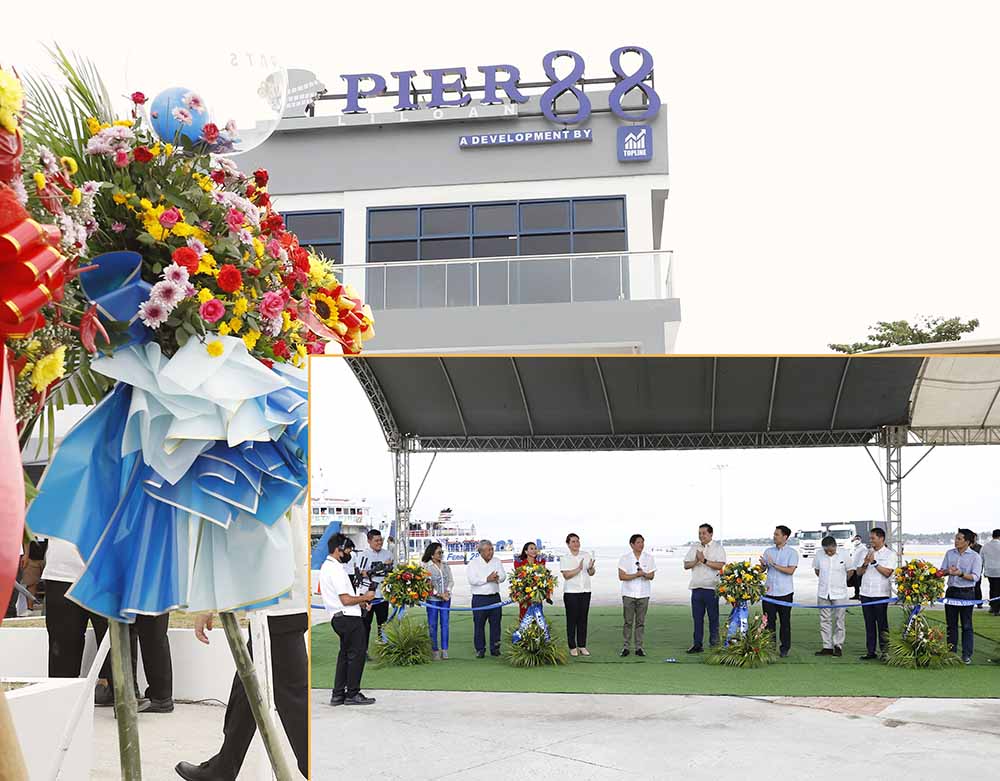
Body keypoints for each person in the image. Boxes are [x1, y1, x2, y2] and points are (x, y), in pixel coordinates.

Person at [175, 509, 310, 780]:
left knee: (292, 698)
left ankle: (311, 766)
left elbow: (242, 538)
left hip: (280, 601)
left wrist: (210, 601)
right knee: (248, 688)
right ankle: (224, 766)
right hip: (278, 599)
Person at [320, 533, 376, 706]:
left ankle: (338, 694)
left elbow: (343, 599)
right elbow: (345, 599)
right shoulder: (336, 569)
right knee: (357, 655)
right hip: (348, 618)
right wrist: (365, 597)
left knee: (345, 655)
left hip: (339, 617)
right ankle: (352, 693)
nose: (349, 554)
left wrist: (359, 602)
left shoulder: (327, 567)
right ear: (339, 550)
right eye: (348, 551)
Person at [941, 528, 983, 664]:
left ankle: (966, 655)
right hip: (951, 591)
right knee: (951, 624)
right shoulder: (949, 553)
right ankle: (951, 653)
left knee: (966, 625)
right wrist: (948, 571)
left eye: (959, 539)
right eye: (956, 538)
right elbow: (942, 571)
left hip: (966, 593)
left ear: (968, 541)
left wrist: (960, 574)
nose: (956, 541)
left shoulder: (975, 557)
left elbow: (976, 577)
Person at [683, 523, 726, 653]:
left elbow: (720, 565)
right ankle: (697, 644)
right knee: (697, 618)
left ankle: (714, 644)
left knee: (713, 618)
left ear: (711, 534)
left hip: (711, 588)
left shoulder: (718, 548)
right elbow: (686, 565)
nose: (701, 535)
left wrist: (704, 561)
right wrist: (697, 560)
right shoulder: (695, 547)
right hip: (696, 588)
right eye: (700, 533)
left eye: (704, 533)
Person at [855, 527, 894, 661]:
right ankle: (870, 651)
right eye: (870, 538)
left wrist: (874, 562)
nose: (871, 540)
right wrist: (865, 563)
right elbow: (859, 573)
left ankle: (885, 652)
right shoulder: (865, 552)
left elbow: (888, 572)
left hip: (881, 593)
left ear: (881, 538)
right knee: (869, 623)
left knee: (882, 623)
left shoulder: (889, 554)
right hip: (866, 592)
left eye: (873, 538)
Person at [759, 525, 798, 658]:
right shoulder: (768, 551)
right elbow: (762, 570)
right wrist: (763, 566)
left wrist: (774, 564)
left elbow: (790, 571)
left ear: (785, 537)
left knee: (785, 622)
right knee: (768, 622)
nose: (774, 537)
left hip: (785, 593)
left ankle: (784, 648)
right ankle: (769, 647)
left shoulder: (792, 553)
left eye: (777, 534)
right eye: (774, 534)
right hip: (769, 593)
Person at [813, 535, 855, 657]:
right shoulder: (819, 554)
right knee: (824, 619)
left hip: (840, 593)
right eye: (826, 551)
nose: (829, 553)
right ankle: (827, 646)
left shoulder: (844, 554)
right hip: (823, 592)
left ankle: (838, 645)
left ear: (835, 546)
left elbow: (850, 570)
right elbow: (817, 570)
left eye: (831, 550)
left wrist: (841, 581)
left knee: (839, 620)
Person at [467, 539, 507, 658]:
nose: (491, 552)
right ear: (481, 551)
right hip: (479, 598)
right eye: (488, 550)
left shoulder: (497, 561)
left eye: (492, 549)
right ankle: (480, 649)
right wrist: (487, 579)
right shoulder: (473, 563)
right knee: (479, 624)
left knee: (496, 624)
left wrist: (497, 578)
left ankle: (495, 648)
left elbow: (503, 576)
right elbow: (472, 580)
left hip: (494, 597)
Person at [618, 533, 656, 657]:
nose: (641, 545)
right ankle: (626, 647)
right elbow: (622, 576)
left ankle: (639, 647)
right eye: (639, 542)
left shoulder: (649, 558)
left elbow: (651, 576)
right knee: (628, 622)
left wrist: (643, 574)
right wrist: (636, 575)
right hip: (628, 594)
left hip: (644, 594)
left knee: (640, 622)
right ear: (632, 544)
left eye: (642, 542)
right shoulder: (625, 558)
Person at [356, 529, 393, 649]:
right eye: (376, 540)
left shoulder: (388, 554)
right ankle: (363, 651)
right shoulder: (363, 555)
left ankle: (384, 648)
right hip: (368, 596)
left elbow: (392, 572)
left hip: (383, 595)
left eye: (380, 540)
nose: (379, 543)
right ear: (369, 541)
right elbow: (361, 574)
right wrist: (380, 569)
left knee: (383, 624)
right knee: (365, 625)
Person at [560, 533, 595, 657]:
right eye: (573, 541)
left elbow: (591, 573)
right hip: (571, 592)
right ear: (568, 544)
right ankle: (572, 646)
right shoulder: (565, 558)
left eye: (578, 541)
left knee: (583, 619)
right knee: (572, 619)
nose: (576, 543)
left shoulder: (586, 555)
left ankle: (582, 645)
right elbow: (566, 575)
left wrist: (590, 568)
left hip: (585, 591)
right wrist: (579, 568)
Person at [423, 542, 453, 660]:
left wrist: (447, 592)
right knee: (433, 624)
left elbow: (451, 581)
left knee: (445, 624)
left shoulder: (446, 565)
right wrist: (439, 594)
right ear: (432, 554)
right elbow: (427, 584)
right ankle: (434, 650)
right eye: (439, 552)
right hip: (432, 600)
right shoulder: (426, 567)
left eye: (442, 552)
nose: (441, 555)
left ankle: (445, 650)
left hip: (446, 599)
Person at [513, 542, 549, 620]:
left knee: (538, 618)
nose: (534, 550)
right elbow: (518, 579)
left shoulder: (540, 563)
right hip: (524, 597)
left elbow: (544, 578)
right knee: (524, 618)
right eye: (531, 548)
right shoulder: (519, 564)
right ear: (526, 551)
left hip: (537, 597)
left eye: (535, 548)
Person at [982, 529, 1000, 616]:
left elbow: (981, 559)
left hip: (989, 572)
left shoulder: (985, 546)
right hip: (999, 571)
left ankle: (993, 606)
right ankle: (997, 609)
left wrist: (982, 571)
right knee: (998, 590)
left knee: (992, 589)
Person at [970, 532, 984, 608]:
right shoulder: (966, 547)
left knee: (977, 587)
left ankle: (979, 603)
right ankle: (970, 602)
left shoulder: (980, 547)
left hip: (977, 571)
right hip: (967, 571)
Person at [849, 534, 864, 600]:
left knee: (861, 582)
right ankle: (856, 594)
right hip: (854, 567)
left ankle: (862, 595)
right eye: (855, 539)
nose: (856, 540)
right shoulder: (854, 547)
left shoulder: (863, 548)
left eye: (858, 539)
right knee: (855, 582)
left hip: (860, 567)